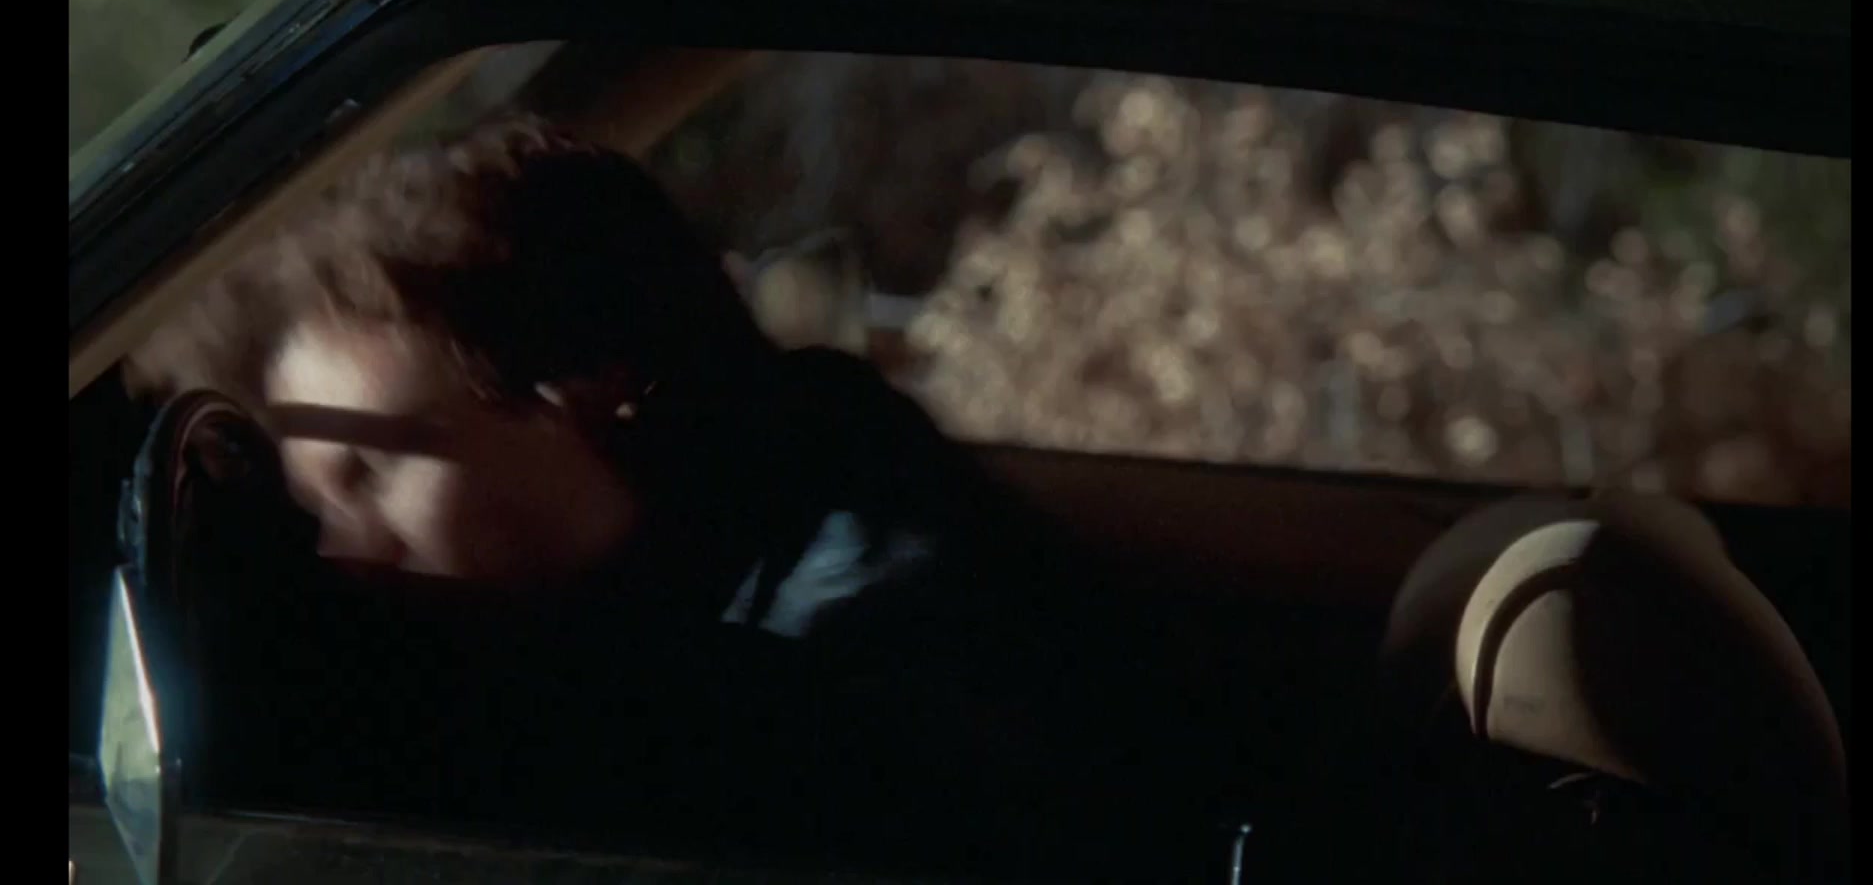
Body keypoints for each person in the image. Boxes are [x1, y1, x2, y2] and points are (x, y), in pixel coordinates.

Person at [123, 114, 1155, 869]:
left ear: (586, 382)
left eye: (374, 473)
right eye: (320, 507)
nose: (347, 551)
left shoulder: (867, 647)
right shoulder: (754, 541)